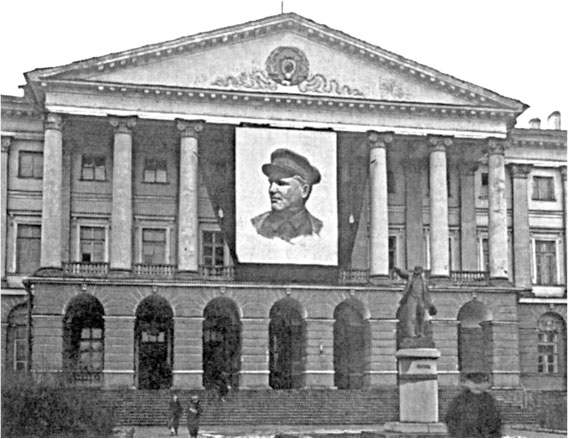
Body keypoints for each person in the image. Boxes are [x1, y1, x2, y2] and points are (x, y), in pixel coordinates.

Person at [251, 148, 323, 243]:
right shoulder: (254, 226)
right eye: (271, 183)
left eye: (281, 184)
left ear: (304, 190)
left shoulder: (321, 230)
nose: (272, 190)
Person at [445, 372, 503, 437]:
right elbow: (451, 420)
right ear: (467, 382)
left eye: (480, 382)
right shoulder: (459, 400)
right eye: (474, 382)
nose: (477, 385)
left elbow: (496, 423)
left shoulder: (490, 401)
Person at [394, 265, 437, 338]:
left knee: (421, 316)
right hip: (412, 297)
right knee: (411, 316)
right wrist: (398, 270)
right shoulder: (410, 277)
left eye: (418, 271)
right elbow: (403, 274)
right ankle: (411, 333)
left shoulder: (424, 280)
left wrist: (430, 303)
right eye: (416, 271)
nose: (417, 273)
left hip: (420, 298)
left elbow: (426, 292)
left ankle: (420, 332)